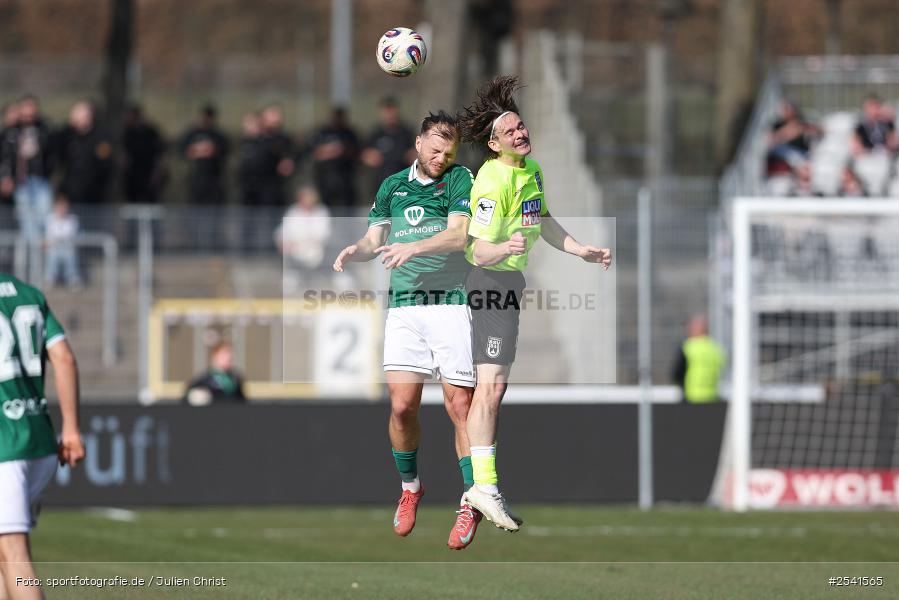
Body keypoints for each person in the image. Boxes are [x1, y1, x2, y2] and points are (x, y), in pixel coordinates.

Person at [457, 76, 612, 532]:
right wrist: (501, 249)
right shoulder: (492, 179)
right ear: (493, 143)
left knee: (495, 389)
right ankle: (482, 488)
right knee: (489, 389)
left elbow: (541, 221)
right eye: (511, 132)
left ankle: (483, 487)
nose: (521, 134)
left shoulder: (532, 171)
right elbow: (478, 247)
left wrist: (580, 249)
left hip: (510, 284)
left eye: (522, 127)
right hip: (487, 279)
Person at [333, 111, 481, 550]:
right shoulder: (392, 185)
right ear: (418, 144)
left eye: (449, 152)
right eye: (435, 150)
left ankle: (472, 499)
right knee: (401, 408)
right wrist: (356, 250)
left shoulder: (459, 179)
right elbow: (374, 238)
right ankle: (410, 487)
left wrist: (413, 245)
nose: (441, 158)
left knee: (460, 406)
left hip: (449, 304)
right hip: (404, 310)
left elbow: (460, 236)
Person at [0, 272, 85, 600]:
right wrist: (71, 429)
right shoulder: (29, 294)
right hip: (39, 440)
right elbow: (64, 357)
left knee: (14, 555)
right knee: (6, 555)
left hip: (5, 446)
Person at [1, 95, 55, 247]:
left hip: (41, 180)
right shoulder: (11, 132)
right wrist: (5, 177)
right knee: (27, 222)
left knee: (45, 220)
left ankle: (43, 254)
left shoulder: (44, 129)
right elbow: (5, 157)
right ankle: (32, 256)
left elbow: (52, 154)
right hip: (21, 183)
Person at [275, 185, 332, 294]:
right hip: (294, 250)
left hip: (316, 250)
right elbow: (282, 232)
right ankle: (292, 278)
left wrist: (307, 242)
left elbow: (324, 234)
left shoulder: (321, 212)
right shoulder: (293, 212)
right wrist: (284, 242)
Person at [55, 101, 114, 205]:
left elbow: (105, 165)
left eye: (78, 114)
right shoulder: (66, 135)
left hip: (95, 195)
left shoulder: (101, 136)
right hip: (70, 194)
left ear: (88, 116)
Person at [361, 96, 416, 196]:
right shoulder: (375, 134)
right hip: (380, 184)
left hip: (403, 184)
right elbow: (365, 156)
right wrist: (370, 158)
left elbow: (415, 154)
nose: (390, 114)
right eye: (386, 111)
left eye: (392, 110)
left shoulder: (406, 133)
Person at [308, 106, 359, 211]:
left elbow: (356, 152)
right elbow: (314, 152)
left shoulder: (349, 134)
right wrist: (329, 151)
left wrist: (341, 151)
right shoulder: (321, 133)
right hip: (324, 181)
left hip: (345, 181)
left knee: (346, 211)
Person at [178, 104, 229, 205]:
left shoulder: (218, 135)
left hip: (214, 179)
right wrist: (198, 151)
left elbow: (223, 151)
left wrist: (211, 150)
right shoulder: (192, 133)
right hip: (195, 178)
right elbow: (182, 151)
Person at [671, 314, 725, 404]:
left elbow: (677, 373)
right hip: (712, 397)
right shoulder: (716, 349)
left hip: (691, 397)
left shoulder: (688, 347)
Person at [122, 104, 167, 204]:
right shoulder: (128, 133)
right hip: (132, 178)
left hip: (148, 176)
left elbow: (159, 154)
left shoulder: (151, 133)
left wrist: (156, 173)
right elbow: (126, 155)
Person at [183, 341, 246, 406]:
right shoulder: (204, 380)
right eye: (224, 355)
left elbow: (242, 400)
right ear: (215, 357)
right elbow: (187, 397)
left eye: (230, 356)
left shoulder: (236, 379)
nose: (228, 358)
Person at [44, 195, 82, 289]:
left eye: (64, 207)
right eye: (60, 207)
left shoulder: (72, 219)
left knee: (70, 255)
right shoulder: (49, 218)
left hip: (67, 247)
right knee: (52, 256)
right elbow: (49, 235)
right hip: (54, 247)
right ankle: (49, 279)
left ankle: (73, 280)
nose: (62, 210)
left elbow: (72, 234)